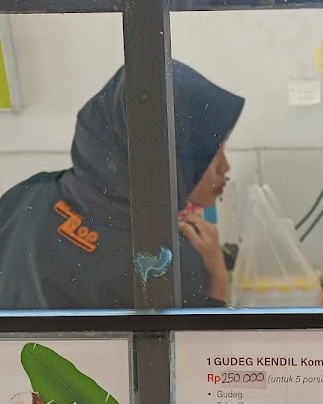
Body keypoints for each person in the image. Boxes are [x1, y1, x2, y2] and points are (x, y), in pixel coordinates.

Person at [0, 61, 244, 310]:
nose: (225, 167)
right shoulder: (164, 260)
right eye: (212, 151)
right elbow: (202, 335)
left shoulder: (25, 196)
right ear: (163, 155)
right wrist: (217, 274)